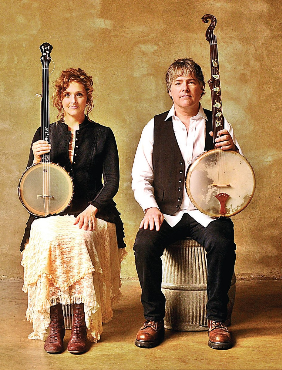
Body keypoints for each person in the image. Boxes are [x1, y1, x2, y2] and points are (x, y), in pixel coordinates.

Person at [132, 58, 242, 350]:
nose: (185, 88)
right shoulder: (154, 127)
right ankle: (153, 318)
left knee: (222, 242)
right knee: (144, 244)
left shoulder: (219, 124)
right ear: (170, 90)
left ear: (202, 88)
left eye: (191, 81)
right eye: (178, 83)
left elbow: (237, 174)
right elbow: (140, 177)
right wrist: (150, 207)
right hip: (166, 212)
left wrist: (233, 150)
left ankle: (217, 320)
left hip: (206, 213)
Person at [20, 67, 126, 355]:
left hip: (94, 210)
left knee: (80, 238)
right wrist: (36, 159)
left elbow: (113, 182)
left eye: (79, 94)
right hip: (51, 212)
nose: (73, 100)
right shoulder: (45, 133)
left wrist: (93, 209)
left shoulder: (103, 134)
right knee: (49, 238)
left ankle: (79, 326)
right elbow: (31, 186)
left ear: (87, 98)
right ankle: (55, 326)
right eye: (67, 95)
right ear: (59, 99)